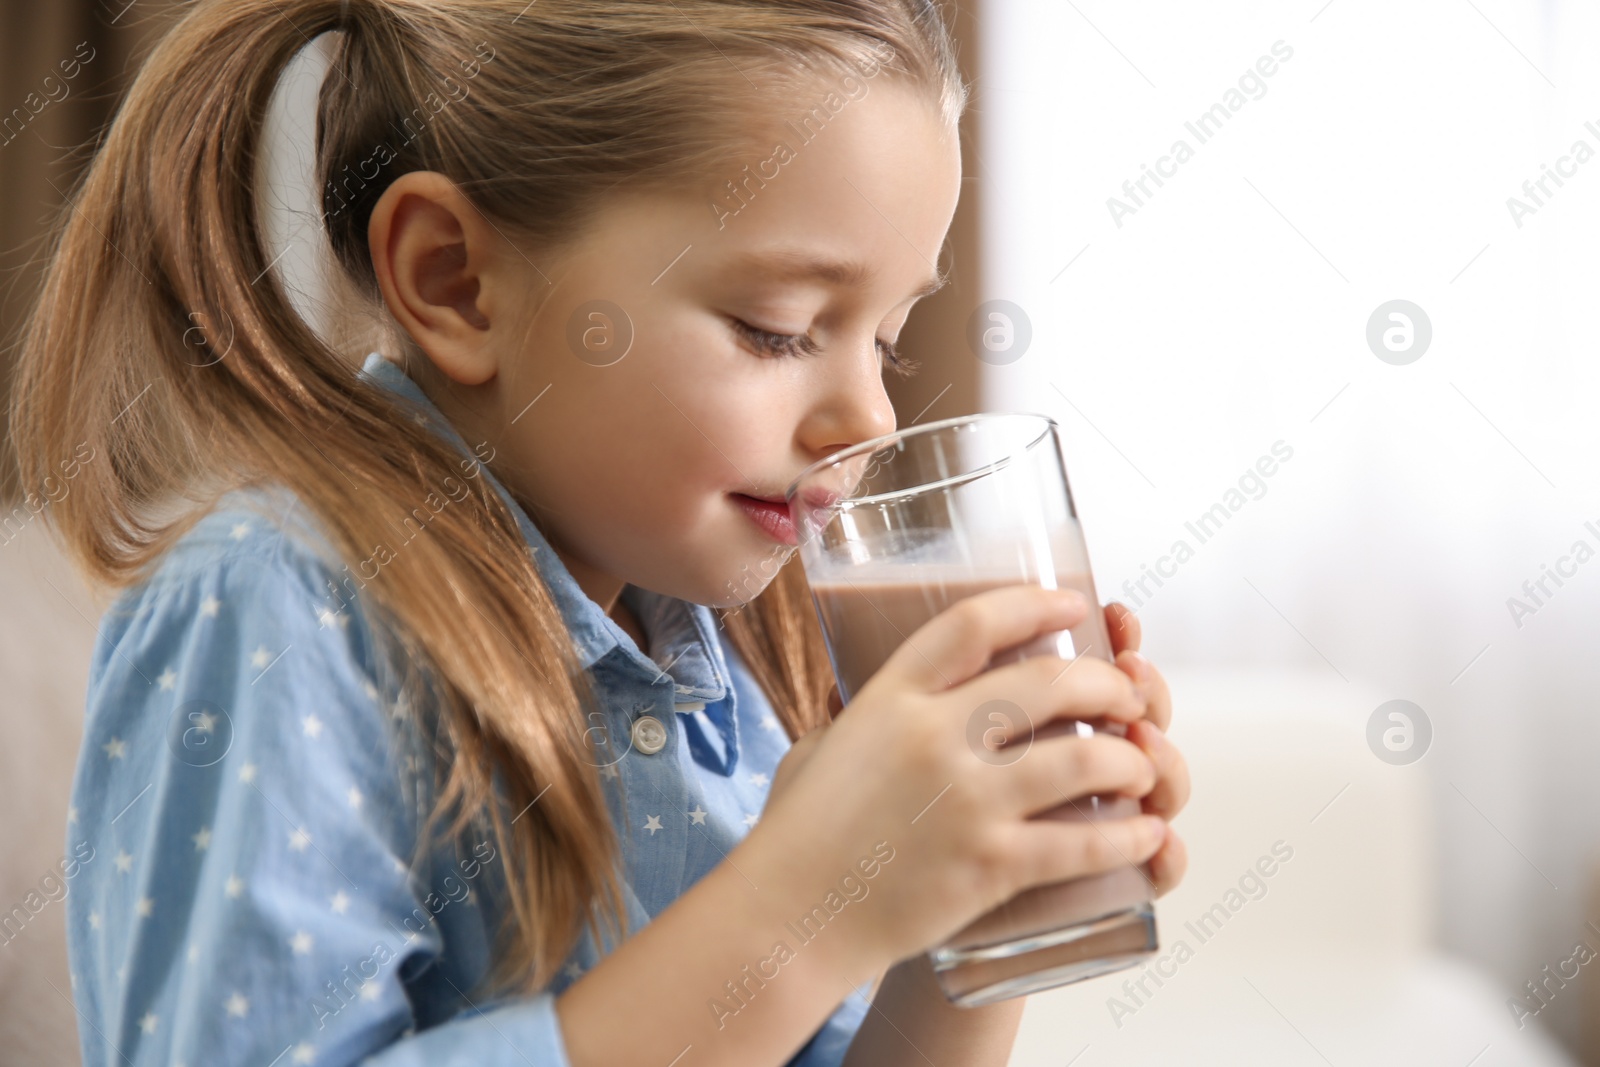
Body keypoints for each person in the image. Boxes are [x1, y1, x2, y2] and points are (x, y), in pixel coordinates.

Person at [9, 1, 1191, 1064]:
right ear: (456, 280)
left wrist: (969, 919)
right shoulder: (277, 607)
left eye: (883, 338)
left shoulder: (712, 653)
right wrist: (802, 906)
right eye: (777, 327)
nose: (869, 415)